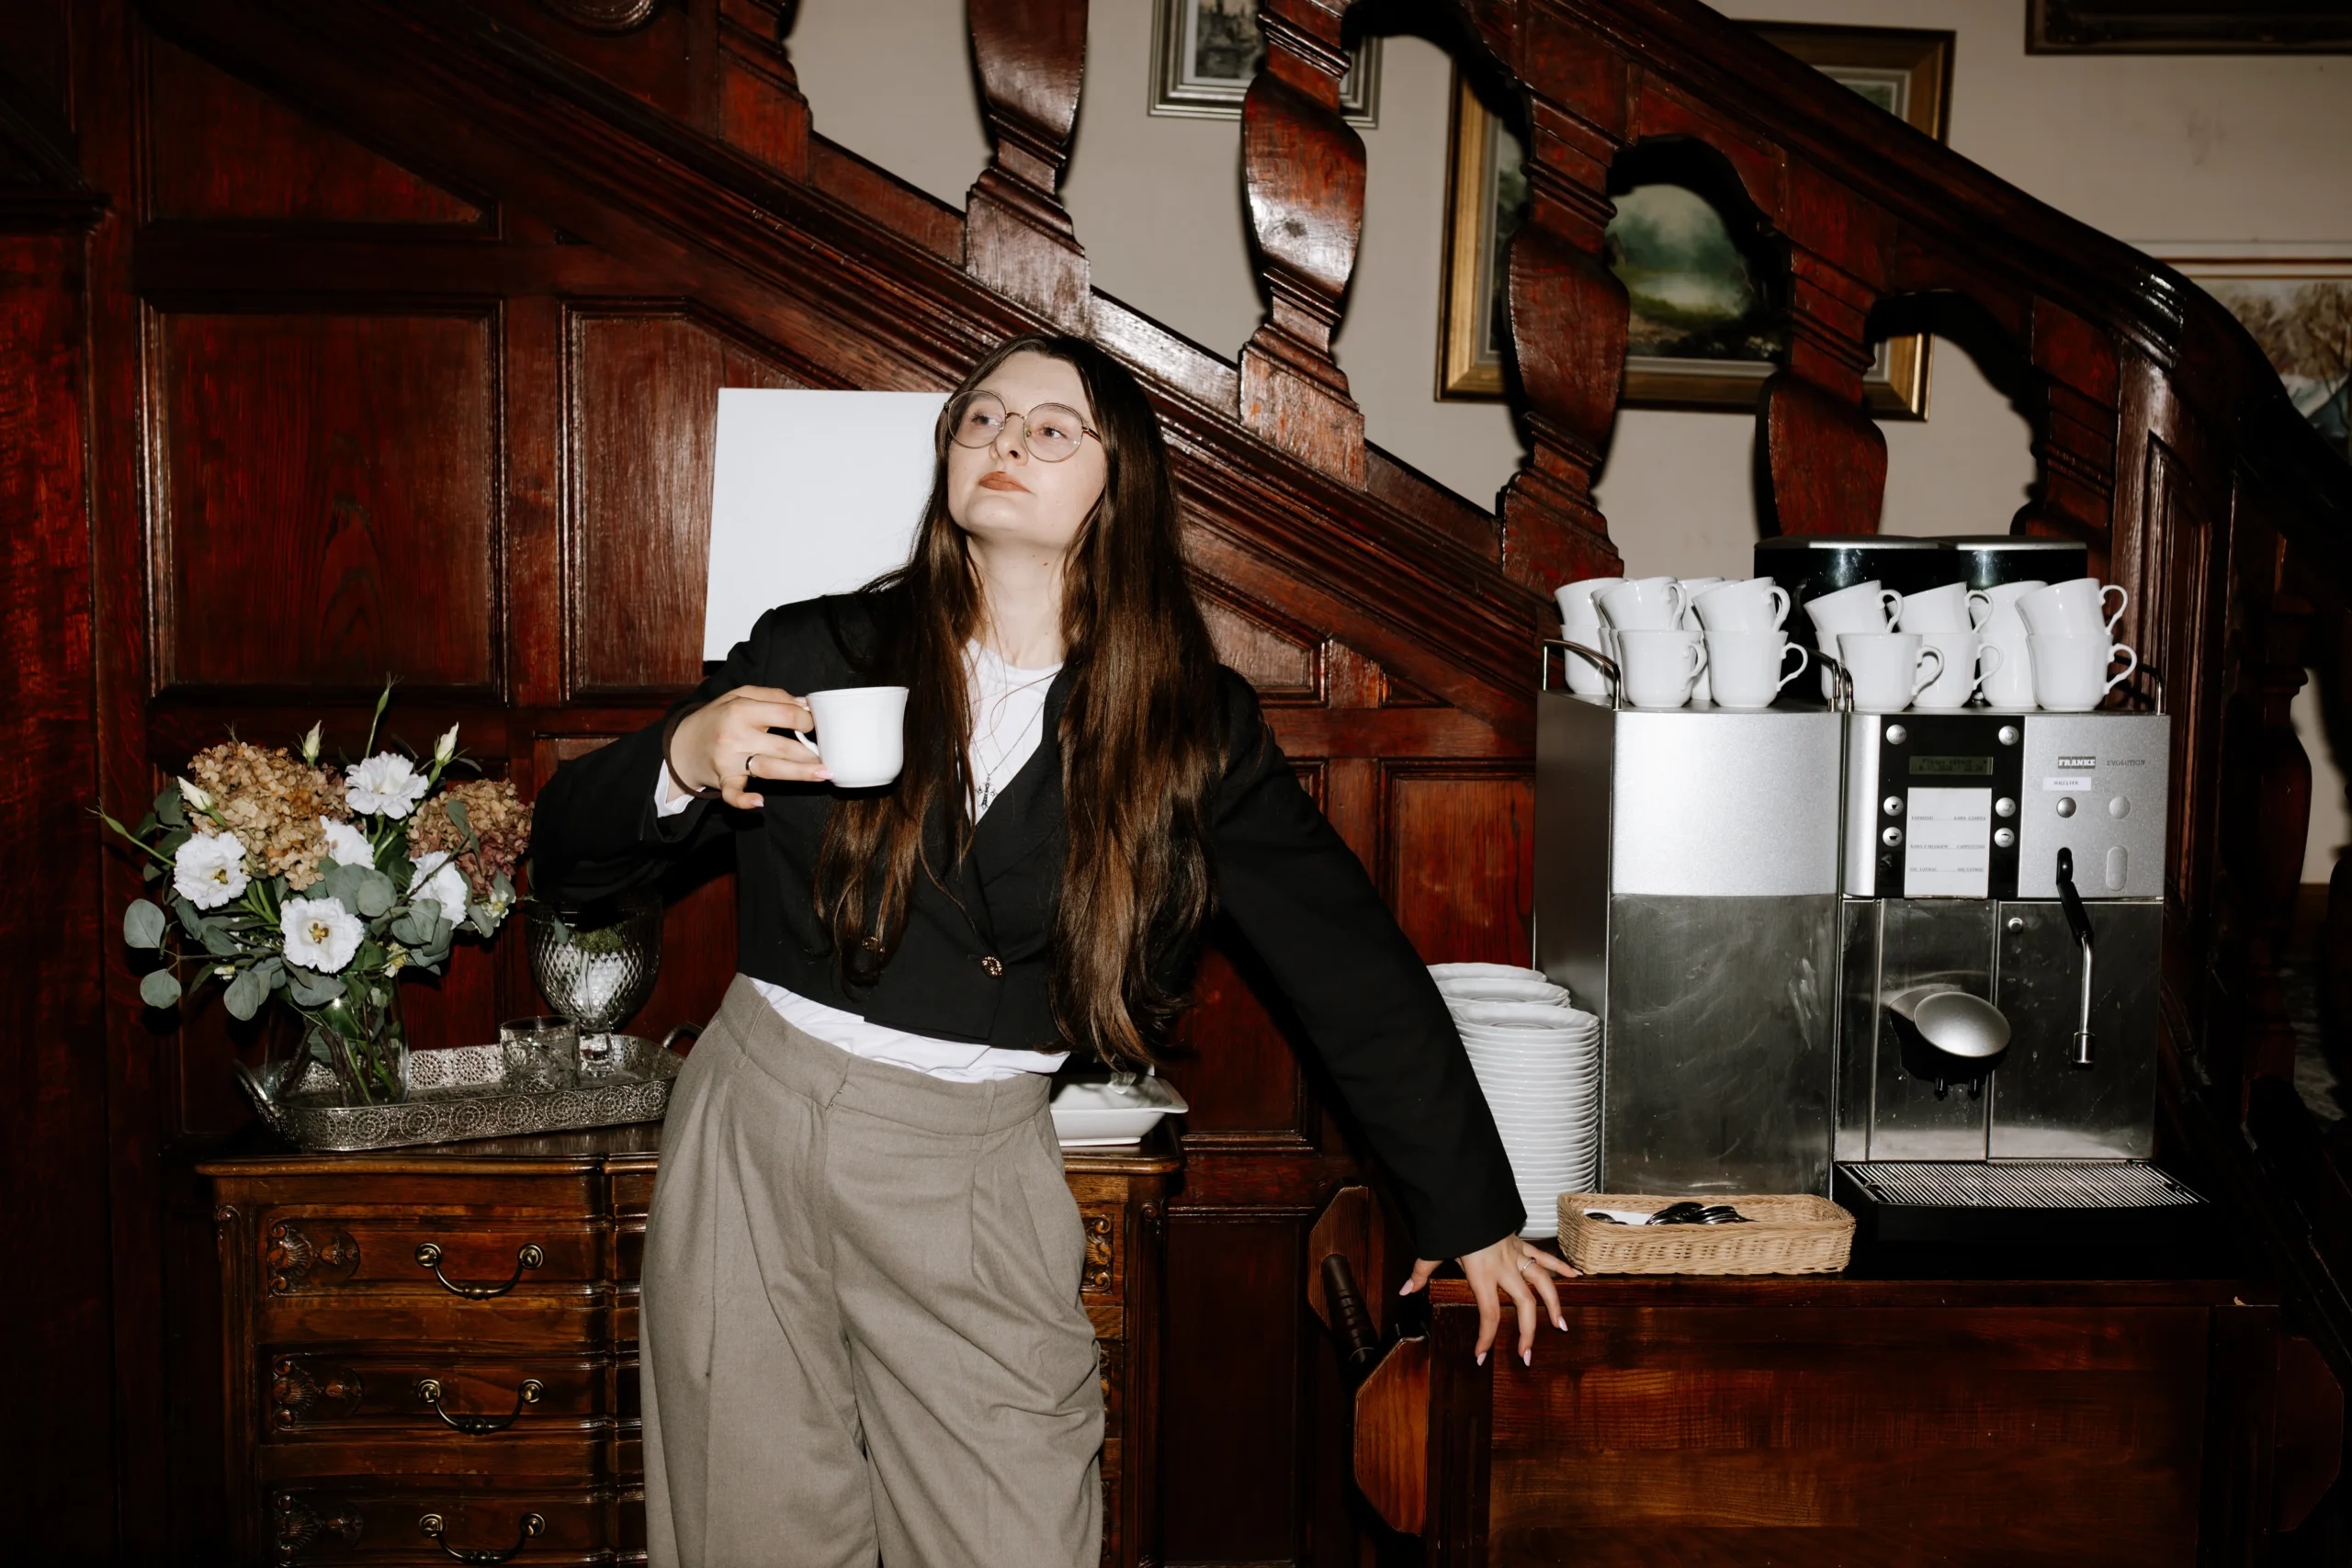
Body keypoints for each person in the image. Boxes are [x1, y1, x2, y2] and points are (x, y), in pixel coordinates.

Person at [529, 332, 1577, 1568]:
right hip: (753, 1125)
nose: (1004, 441)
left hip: (968, 1160)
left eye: (1049, 428)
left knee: (1012, 1525)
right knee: (750, 1528)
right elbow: (569, 864)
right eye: (980, 419)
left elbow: (1346, 963)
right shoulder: (815, 650)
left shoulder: (1187, 723)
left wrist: (1473, 1212)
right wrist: (675, 759)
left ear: (1117, 484)